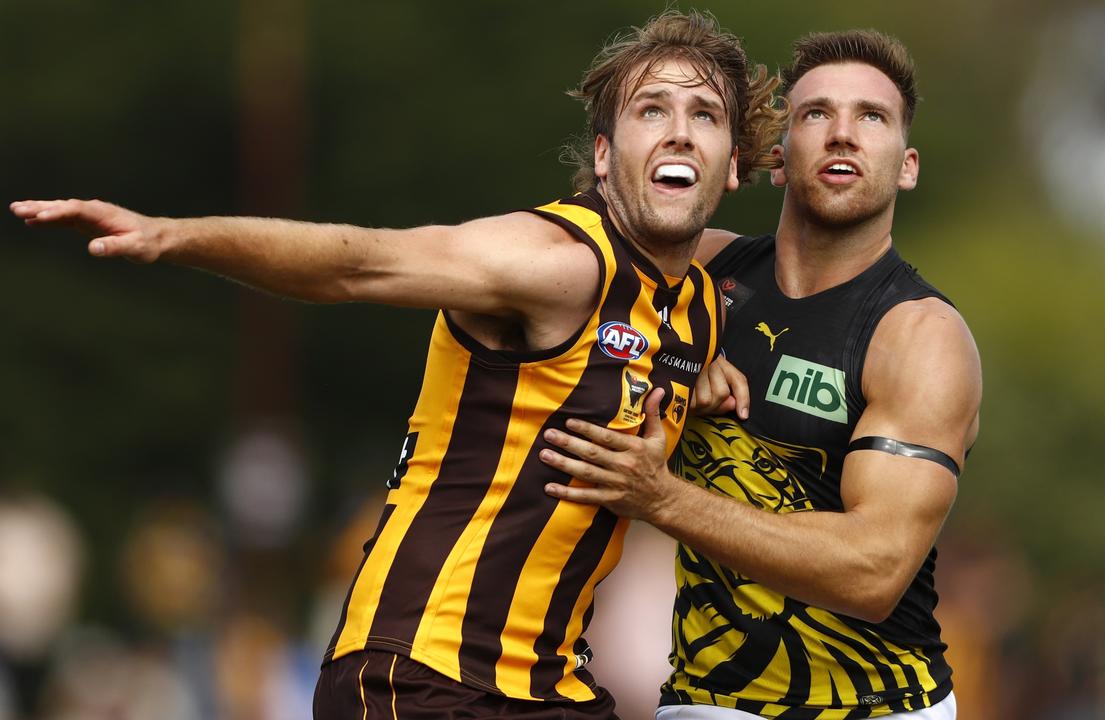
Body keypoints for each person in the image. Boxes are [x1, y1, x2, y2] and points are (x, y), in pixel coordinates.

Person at [10, 11, 784, 719]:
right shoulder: (553, 261)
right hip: (422, 674)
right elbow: (362, 263)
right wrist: (176, 235)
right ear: (607, 157)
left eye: (705, 116)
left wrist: (704, 374)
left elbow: (699, 325)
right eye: (653, 110)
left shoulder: (699, 307)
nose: (679, 133)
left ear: (734, 167)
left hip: (550, 688)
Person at [538, 30, 982, 719]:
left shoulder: (920, 336)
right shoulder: (695, 279)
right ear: (775, 160)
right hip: (703, 701)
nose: (842, 134)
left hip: (878, 708)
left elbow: (874, 571)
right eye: (816, 115)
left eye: (872, 117)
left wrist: (661, 499)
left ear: (907, 165)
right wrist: (675, 343)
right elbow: (560, 259)